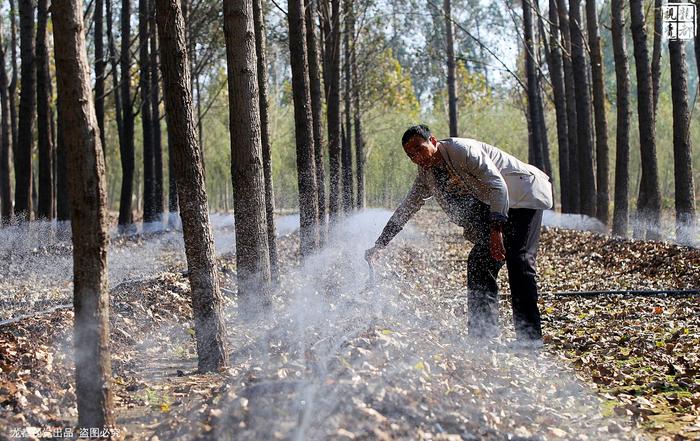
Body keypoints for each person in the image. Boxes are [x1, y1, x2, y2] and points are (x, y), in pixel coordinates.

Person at [365, 124, 553, 344]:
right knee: (479, 262)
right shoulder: (426, 175)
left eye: (419, 148)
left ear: (433, 141)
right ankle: (483, 336)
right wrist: (380, 244)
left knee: (518, 261)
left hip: (524, 195)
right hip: (497, 205)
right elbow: (406, 208)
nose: (416, 157)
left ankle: (530, 339)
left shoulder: (463, 150)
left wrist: (495, 231)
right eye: (410, 155)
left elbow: (498, 186)